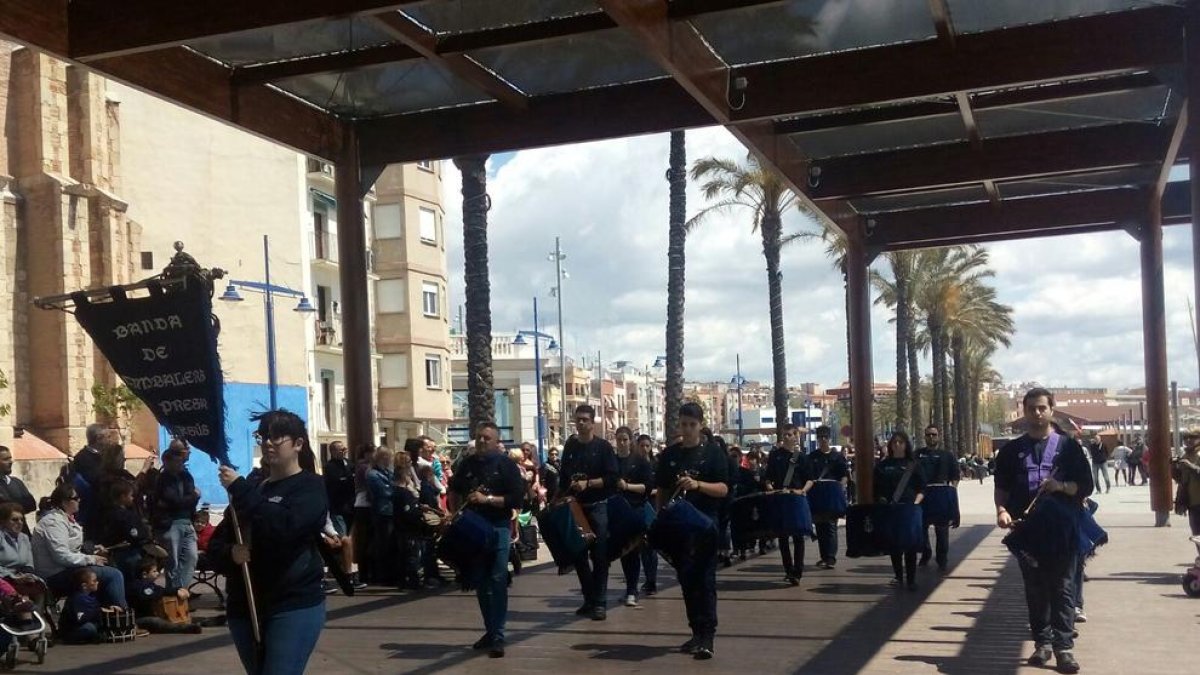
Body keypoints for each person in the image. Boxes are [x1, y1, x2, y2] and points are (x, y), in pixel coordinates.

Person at [211, 409, 329, 675]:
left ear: (298, 443)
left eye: (276, 437)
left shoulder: (310, 487)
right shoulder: (256, 489)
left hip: (292, 603)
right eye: (263, 436)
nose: (267, 443)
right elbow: (218, 543)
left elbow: (286, 527)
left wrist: (240, 489)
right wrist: (231, 553)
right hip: (246, 605)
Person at [994, 388, 1093, 675]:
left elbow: (1085, 486)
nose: (1037, 413)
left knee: (1063, 587)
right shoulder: (1011, 451)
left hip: (1062, 529)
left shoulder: (1069, 447)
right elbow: (1002, 487)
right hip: (1028, 531)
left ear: (1051, 410)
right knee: (1035, 588)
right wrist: (1001, 511)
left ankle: (1064, 648)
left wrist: (1060, 486)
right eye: (1031, 409)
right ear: (1024, 411)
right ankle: (1042, 643)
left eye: (1042, 408)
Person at [656, 402, 728, 660]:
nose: (687, 429)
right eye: (683, 424)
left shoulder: (713, 454)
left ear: (701, 425)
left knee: (705, 579)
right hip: (679, 526)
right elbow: (662, 490)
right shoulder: (669, 455)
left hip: (705, 523)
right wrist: (660, 516)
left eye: (692, 425)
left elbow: (723, 489)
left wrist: (698, 485)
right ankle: (696, 631)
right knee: (687, 579)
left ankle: (708, 635)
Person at [448, 421, 525, 659]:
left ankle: (498, 634)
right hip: (473, 529)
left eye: (487, 438)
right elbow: (454, 488)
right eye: (479, 437)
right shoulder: (467, 463)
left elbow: (516, 498)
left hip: (498, 527)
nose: (482, 441)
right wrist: (454, 513)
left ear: (496, 440)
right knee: (480, 580)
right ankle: (491, 632)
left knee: (498, 578)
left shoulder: (506, 465)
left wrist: (488, 499)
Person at [555, 404, 619, 621]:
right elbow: (563, 478)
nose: (581, 423)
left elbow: (612, 478)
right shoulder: (571, 447)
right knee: (578, 555)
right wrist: (559, 497)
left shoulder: (603, 447)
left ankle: (599, 602)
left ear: (592, 423)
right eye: (578, 419)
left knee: (600, 556)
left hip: (598, 506)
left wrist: (589, 483)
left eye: (585, 419)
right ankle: (589, 598)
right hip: (575, 507)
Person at [31, 483, 127, 609]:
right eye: (75, 498)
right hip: (54, 574)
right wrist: (90, 559)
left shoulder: (65, 519)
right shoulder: (53, 523)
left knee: (107, 566)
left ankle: (103, 614)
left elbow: (71, 546)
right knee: (113, 575)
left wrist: (92, 549)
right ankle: (121, 614)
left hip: (67, 568)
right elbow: (61, 556)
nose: (79, 500)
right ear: (64, 502)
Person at [764, 424, 814, 586]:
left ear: (796, 436)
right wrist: (770, 487)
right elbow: (768, 477)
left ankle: (798, 572)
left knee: (798, 536)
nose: (786, 437)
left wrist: (803, 491)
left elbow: (810, 479)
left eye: (789, 434)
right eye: (784, 434)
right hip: (780, 498)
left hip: (796, 498)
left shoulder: (802, 457)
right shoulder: (775, 455)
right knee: (783, 536)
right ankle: (788, 570)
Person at [876, 431, 926, 591]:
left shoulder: (913, 464)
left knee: (910, 545)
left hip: (909, 509)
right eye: (894, 442)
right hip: (890, 509)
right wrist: (881, 500)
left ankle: (911, 579)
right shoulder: (883, 465)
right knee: (894, 544)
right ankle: (898, 576)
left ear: (906, 445)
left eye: (900, 442)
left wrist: (916, 503)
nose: (897, 445)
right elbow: (876, 487)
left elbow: (922, 488)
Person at [154, 441, 200, 595]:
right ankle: (173, 593)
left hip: (187, 522)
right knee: (173, 561)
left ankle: (182, 589)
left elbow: (187, 500)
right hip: (171, 524)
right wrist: (193, 496)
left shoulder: (186, 476)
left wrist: (190, 498)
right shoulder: (163, 479)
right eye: (176, 460)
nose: (179, 463)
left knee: (191, 557)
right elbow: (174, 501)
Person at [616, 429, 656, 606]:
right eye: (619, 439)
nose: (622, 443)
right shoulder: (612, 461)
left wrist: (627, 486)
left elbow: (647, 487)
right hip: (617, 512)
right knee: (623, 552)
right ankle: (630, 588)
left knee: (634, 551)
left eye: (625, 439)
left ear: (630, 440)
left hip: (635, 509)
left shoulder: (640, 462)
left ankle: (632, 590)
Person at [916, 425, 959, 572]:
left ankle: (942, 559)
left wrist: (951, 491)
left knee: (942, 530)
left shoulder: (947, 455)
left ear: (938, 436)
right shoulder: (917, 455)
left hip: (941, 494)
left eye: (934, 434)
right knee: (921, 527)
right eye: (928, 434)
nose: (931, 437)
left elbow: (955, 476)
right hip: (922, 494)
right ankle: (925, 553)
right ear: (924, 436)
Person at [809, 425, 850, 569]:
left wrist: (841, 487)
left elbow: (844, 476)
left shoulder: (837, 457)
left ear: (829, 438)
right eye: (820, 437)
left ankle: (831, 557)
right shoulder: (812, 457)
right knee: (820, 526)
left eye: (825, 437)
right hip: (818, 494)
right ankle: (824, 556)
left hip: (832, 494)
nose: (823, 440)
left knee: (831, 525)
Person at [126, 558, 202, 634]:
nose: (157, 573)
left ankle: (197, 622)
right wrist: (175, 591)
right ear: (144, 574)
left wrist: (178, 589)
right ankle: (183, 628)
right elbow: (152, 594)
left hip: (150, 615)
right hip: (139, 619)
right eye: (154, 571)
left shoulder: (150, 585)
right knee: (156, 621)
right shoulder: (138, 586)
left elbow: (161, 589)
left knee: (168, 618)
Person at [392, 450, 422, 591]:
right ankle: (411, 579)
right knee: (409, 553)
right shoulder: (401, 490)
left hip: (405, 524)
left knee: (406, 553)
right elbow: (407, 511)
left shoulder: (404, 485)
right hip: (406, 525)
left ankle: (404, 580)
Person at [366, 447, 396, 586]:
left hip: (390, 510)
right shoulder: (373, 474)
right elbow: (386, 492)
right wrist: (398, 489)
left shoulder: (387, 472)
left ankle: (390, 573)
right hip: (382, 512)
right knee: (383, 543)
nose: (389, 460)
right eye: (387, 457)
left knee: (390, 544)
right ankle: (382, 575)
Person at [58, 568, 110, 644]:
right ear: (84, 586)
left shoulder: (91, 595)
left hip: (81, 625)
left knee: (97, 626)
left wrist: (104, 609)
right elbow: (80, 618)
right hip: (72, 629)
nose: (97, 582)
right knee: (90, 628)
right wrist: (98, 610)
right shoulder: (77, 599)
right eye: (94, 581)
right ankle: (71, 639)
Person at [1174, 430, 1200, 563]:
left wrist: (1192, 467)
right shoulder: (1186, 455)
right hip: (1192, 502)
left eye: (1193, 437)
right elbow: (1182, 480)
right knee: (1197, 535)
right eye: (1185, 437)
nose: (1188, 440)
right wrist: (1174, 468)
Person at [322, 441, 356, 541]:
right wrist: (348, 478)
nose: (344, 451)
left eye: (344, 449)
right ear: (333, 452)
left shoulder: (349, 463)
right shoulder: (329, 466)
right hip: (338, 507)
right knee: (343, 535)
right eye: (341, 450)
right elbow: (337, 481)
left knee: (352, 535)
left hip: (351, 506)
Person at [0, 447, 35, 532]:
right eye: (5, 459)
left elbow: (31, 504)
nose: (10, 462)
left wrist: (8, 503)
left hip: (22, 534)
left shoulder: (16, 482)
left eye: (10, 458)